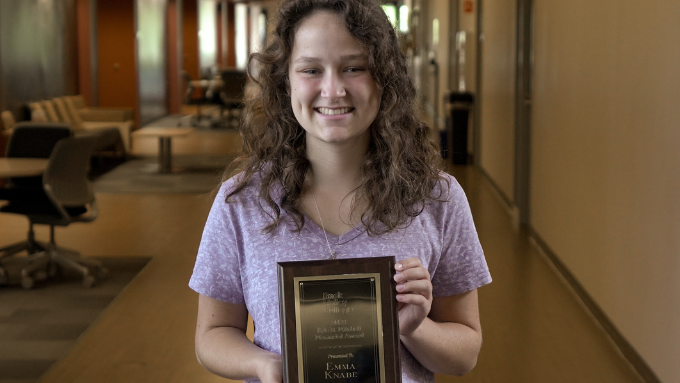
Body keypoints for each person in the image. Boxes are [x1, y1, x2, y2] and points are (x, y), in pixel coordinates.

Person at [189, 0, 491, 381]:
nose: (333, 90)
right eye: (311, 70)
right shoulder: (243, 202)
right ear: (286, 82)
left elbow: (464, 356)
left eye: (354, 68)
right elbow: (212, 335)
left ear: (384, 77)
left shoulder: (437, 198)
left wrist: (412, 326)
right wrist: (266, 365)